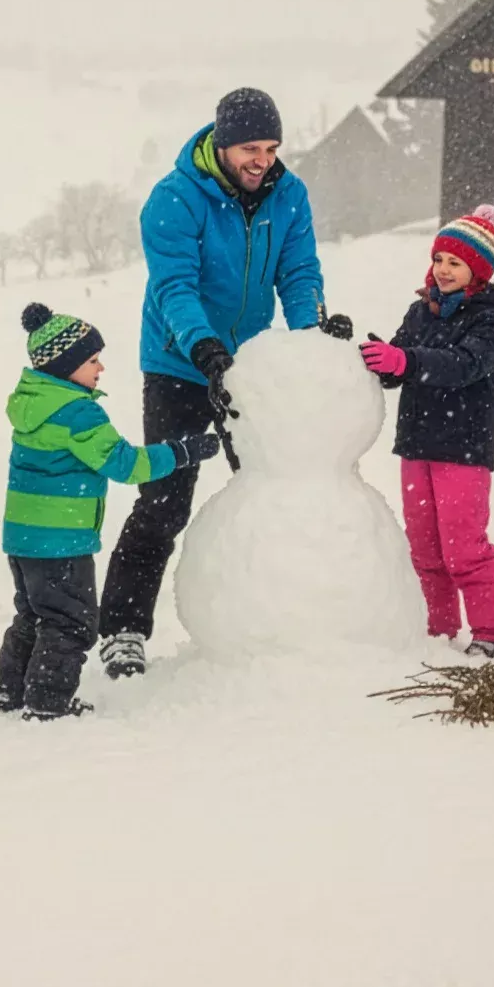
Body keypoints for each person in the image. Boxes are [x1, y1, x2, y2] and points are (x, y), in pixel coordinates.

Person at [98, 86, 349, 679]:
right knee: (164, 501)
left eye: (270, 147)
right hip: (178, 364)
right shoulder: (176, 198)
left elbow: (299, 270)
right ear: (221, 143)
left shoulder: (289, 195)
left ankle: (277, 614)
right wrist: (204, 346)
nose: (261, 160)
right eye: (249, 149)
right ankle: (124, 629)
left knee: (273, 485)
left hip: (250, 365)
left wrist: (311, 331)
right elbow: (174, 286)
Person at [0, 305, 223, 720]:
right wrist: (182, 452)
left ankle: (9, 690)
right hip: (61, 538)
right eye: (92, 360)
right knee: (71, 621)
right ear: (66, 366)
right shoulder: (78, 412)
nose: (101, 368)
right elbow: (124, 464)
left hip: (23, 537)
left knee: (33, 613)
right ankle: (48, 702)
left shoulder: (31, 404)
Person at [359, 205, 494, 657]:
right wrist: (376, 357)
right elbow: (398, 362)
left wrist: (406, 362)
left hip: (463, 446)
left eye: (455, 262)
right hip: (417, 443)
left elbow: (465, 365)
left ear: (478, 270)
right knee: (425, 550)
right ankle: (438, 630)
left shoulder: (490, 318)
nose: (443, 270)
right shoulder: (421, 311)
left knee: (463, 547)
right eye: (439, 260)